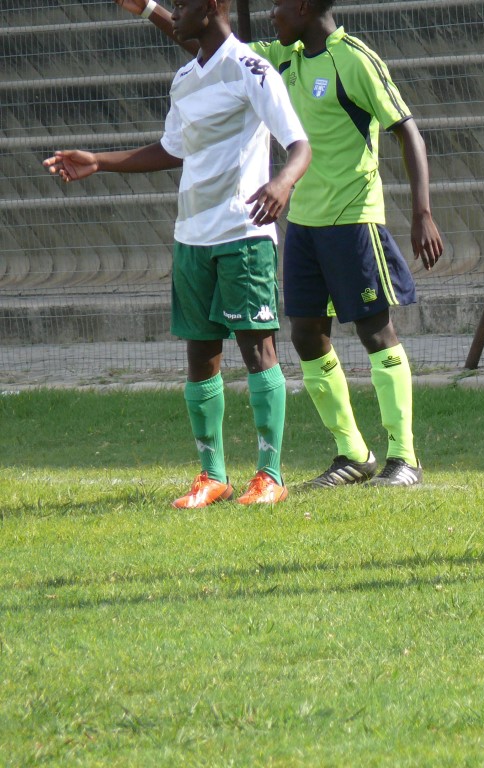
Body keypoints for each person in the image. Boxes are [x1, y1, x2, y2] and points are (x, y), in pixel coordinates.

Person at [117, 0, 444, 488]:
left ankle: (404, 456)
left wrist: (422, 213)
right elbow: (211, 45)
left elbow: (408, 132)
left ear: (306, 6)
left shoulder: (355, 59)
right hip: (303, 223)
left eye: (280, 5)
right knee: (307, 336)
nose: (272, 13)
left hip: (354, 217)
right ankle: (353, 453)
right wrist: (147, 9)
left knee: (376, 331)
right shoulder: (281, 56)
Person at [46, 0, 311, 508]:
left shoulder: (252, 69)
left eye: (184, 4)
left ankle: (270, 475)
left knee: (258, 350)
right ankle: (213, 476)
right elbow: (173, 149)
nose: (176, 14)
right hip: (191, 235)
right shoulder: (186, 78)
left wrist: (282, 182)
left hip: (242, 232)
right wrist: (99, 161)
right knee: (200, 354)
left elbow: (299, 144)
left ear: (211, 6)